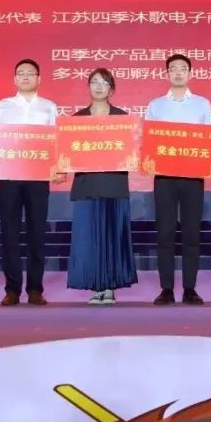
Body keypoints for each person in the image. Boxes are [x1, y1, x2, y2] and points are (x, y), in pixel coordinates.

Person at [145, 53, 211, 306]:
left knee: (191, 233)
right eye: (173, 68)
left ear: (190, 73)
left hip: (193, 177)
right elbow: (149, 140)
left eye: (182, 68)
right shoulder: (155, 105)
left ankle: (189, 289)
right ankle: (166, 289)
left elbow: (210, 139)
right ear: (166, 74)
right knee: (164, 233)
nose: (177, 72)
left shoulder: (202, 104)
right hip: (164, 177)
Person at [0, 58, 59, 306]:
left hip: (38, 177)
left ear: (39, 79)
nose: (26, 77)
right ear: (15, 79)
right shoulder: (3, 106)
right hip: (8, 177)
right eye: (21, 73)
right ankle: (11, 289)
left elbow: (55, 140)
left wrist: (57, 167)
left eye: (30, 73)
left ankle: (35, 289)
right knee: (9, 232)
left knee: (36, 232)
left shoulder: (49, 107)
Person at [66, 68, 138, 305]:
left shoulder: (123, 119)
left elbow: (132, 152)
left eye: (104, 82)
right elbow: (68, 153)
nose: (98, 86)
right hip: (86, 186)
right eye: (94, 82)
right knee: (89, 239)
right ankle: (96, 286)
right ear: (88, 87)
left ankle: (110, 287)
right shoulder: (76, 120)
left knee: (113, 238)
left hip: (114, 185)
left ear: (112, 89)